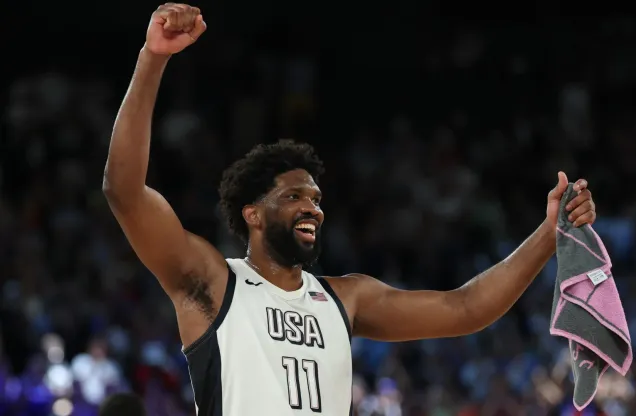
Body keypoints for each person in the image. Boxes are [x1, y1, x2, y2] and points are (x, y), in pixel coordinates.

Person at [102, 3, 598, 415]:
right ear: (252, 213)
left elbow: (466, 308)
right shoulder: (213, 284)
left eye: (316, 199)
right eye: (294, 196)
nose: (312, 208)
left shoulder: (347, 299)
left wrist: (547, 233)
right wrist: (153, 57)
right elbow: (124, 191)